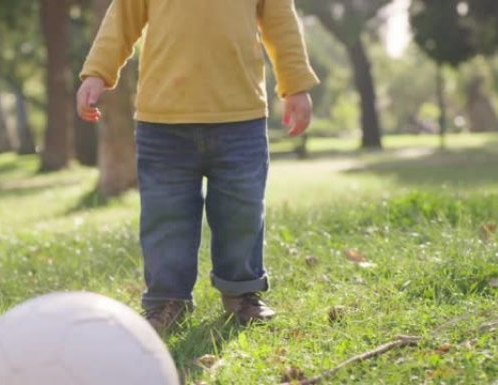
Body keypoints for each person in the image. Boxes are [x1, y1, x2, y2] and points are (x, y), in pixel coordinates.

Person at [77, 0, 319, 333]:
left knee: (242, 213)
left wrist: (296, 84)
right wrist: (97, 73)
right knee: (166, 218)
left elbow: (282, 24)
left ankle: (240, 293)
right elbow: (122, 19)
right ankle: (167, 300)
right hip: (162, 121)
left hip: (240, 117)